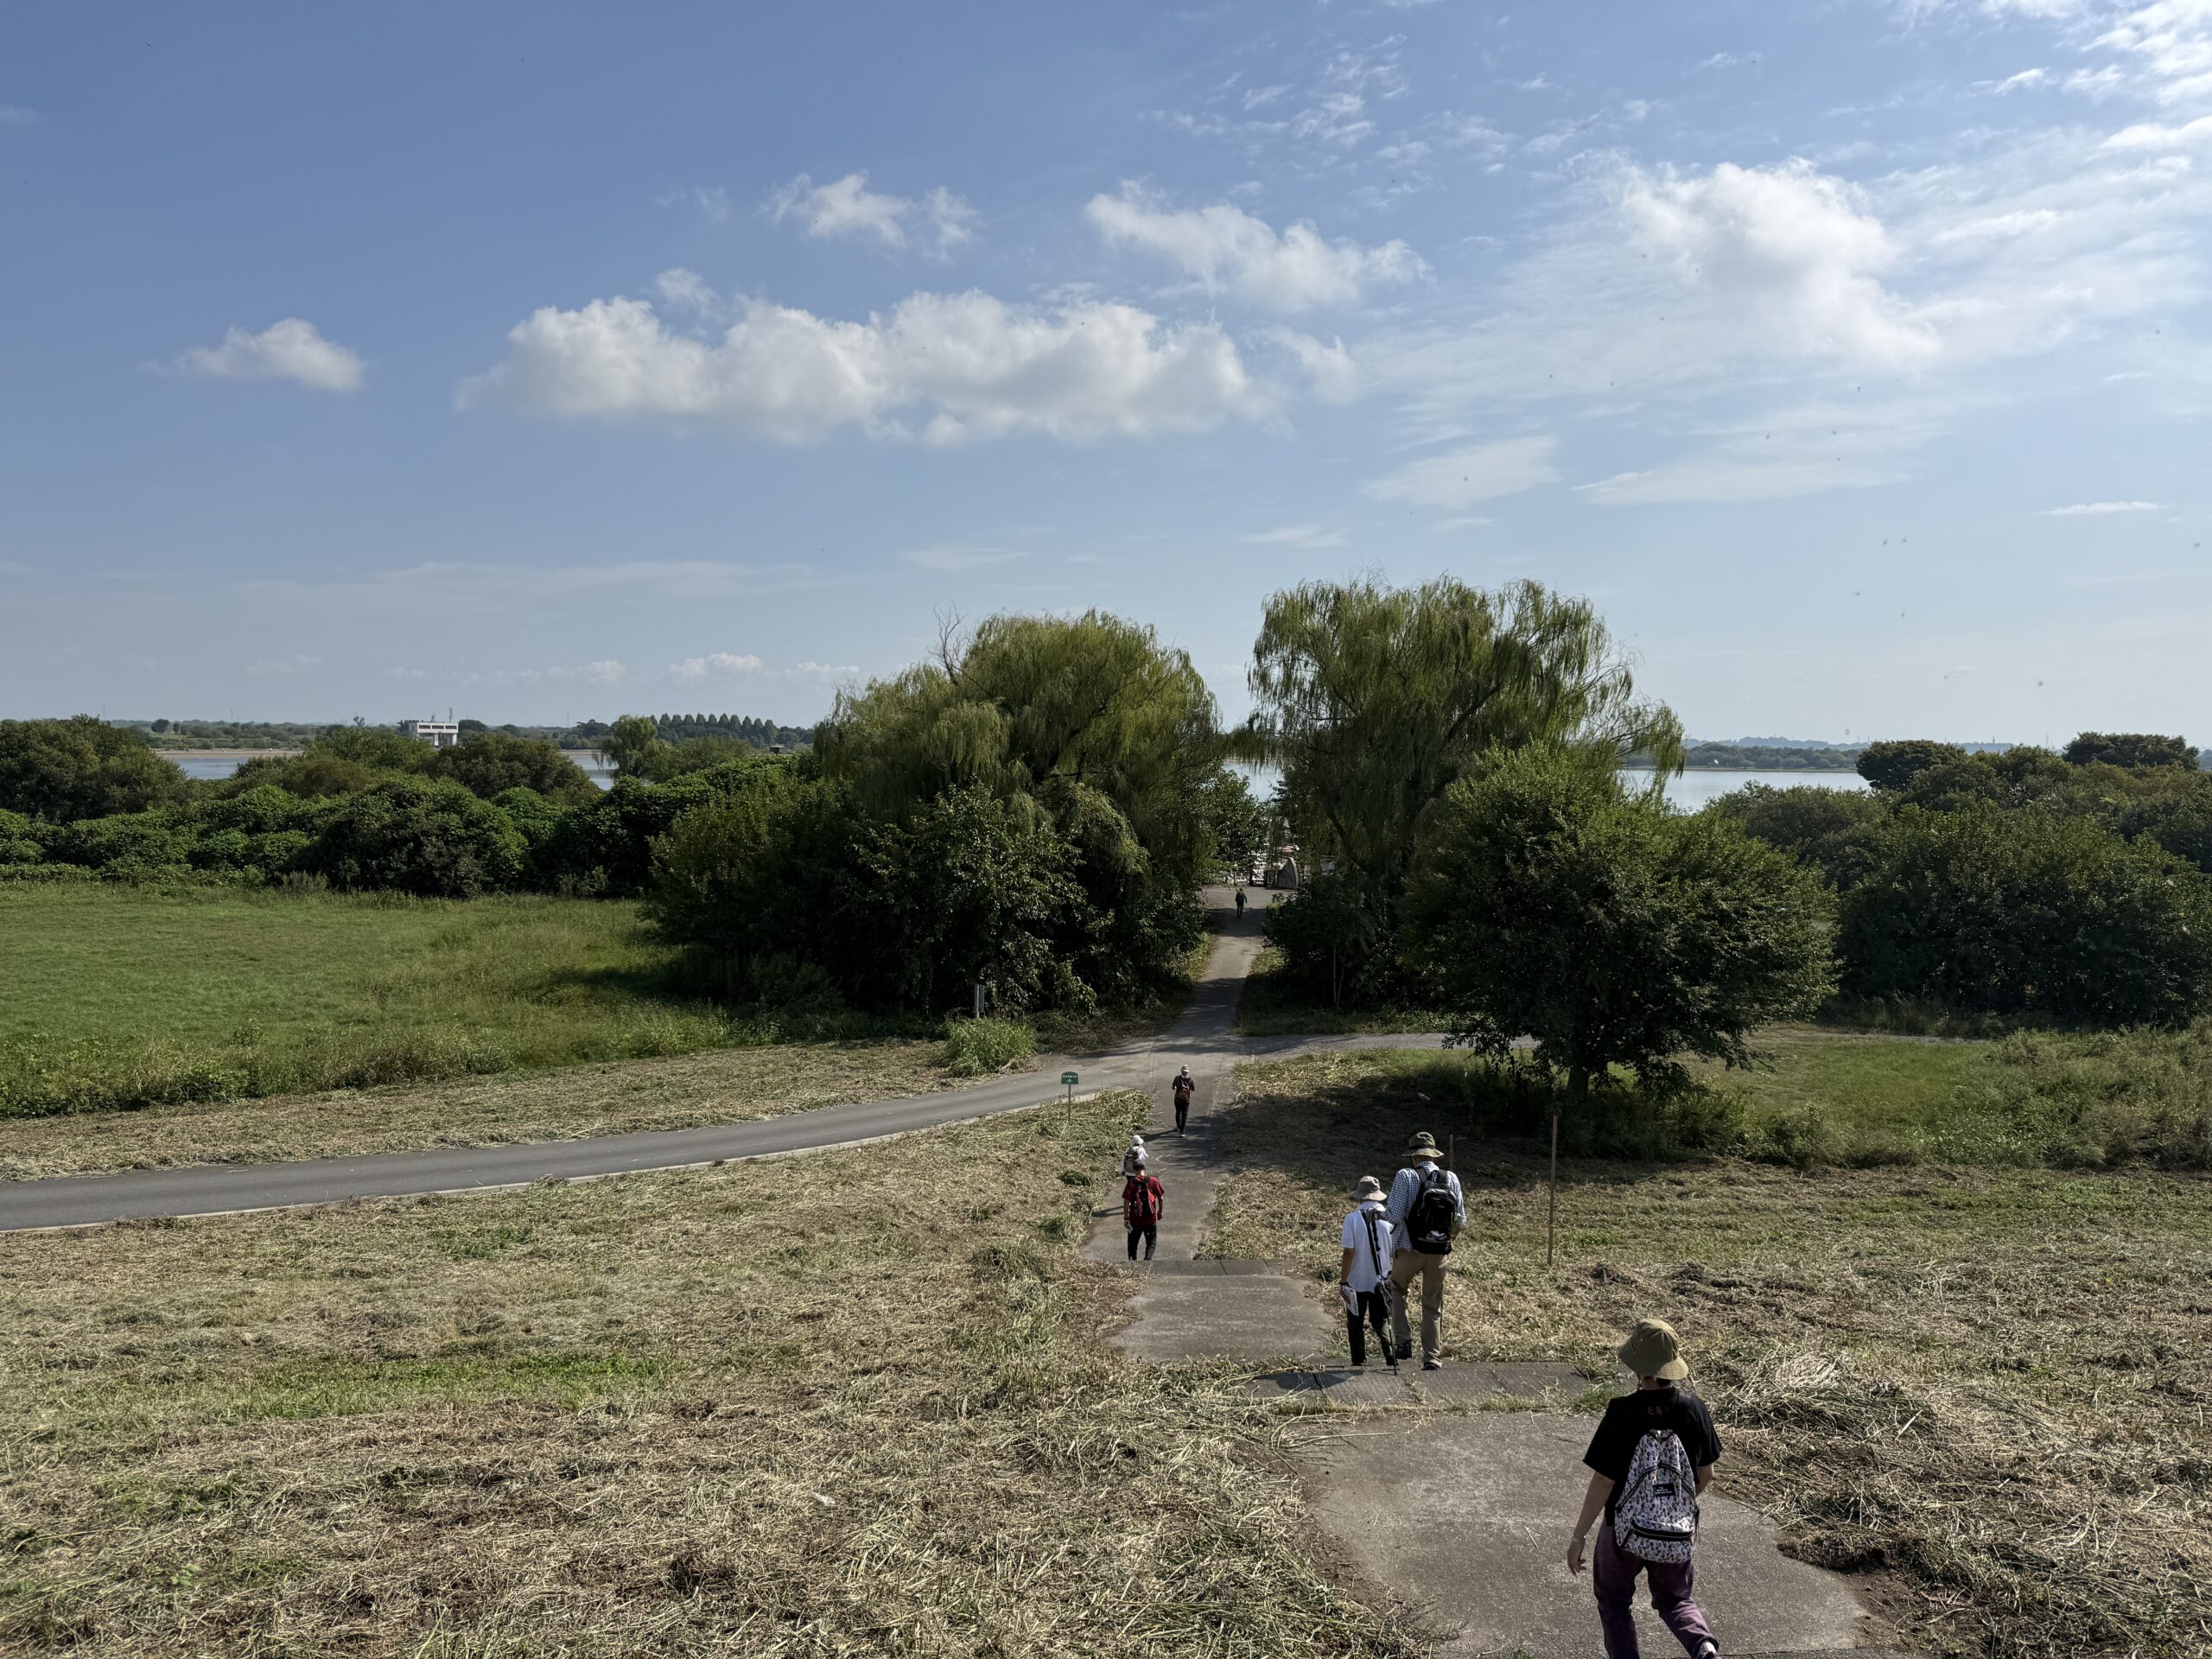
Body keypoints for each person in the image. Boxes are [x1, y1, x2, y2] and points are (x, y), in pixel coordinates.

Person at [1567, 1319, 1723, 1659]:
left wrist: (1579, 1536)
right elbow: (1706, 1474)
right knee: (1676, 1600)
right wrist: (1670, 1508)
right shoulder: (1693, 1408)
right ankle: (1704, 1647)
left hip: (1622, 1531)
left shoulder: (1621, 1411)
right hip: (1677, 1533)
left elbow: (1603, 1481)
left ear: (1639, 1367)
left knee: (1614, 1602)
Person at [1383, 1130, 1464, 1370]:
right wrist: (1446, 1240)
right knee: (1433, 1303)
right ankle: (1432, 1357)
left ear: (1413, 1156)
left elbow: (1394, 1215)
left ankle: (1403, 1342)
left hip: (1409, 1248)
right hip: (1438, 1252)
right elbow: (1460, 1221)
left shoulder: (1405, 1176)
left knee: (1397, 1288)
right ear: (1433, 1155)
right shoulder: (1451, 1178)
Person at [1336, 1176, 1396, 1369]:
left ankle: (1359, 1359)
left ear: (1360, 1197)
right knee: (1381, 1319)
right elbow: (1395, 1251)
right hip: (1382, 1279)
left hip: (1356, 1280)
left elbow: (1348, 1252)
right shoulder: (1389, 1219)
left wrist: (1343, 1281)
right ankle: (1390, 1351)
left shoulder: (1352, 1219)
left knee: (1355, 1321)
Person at [1122, 1154, 1164, 1262]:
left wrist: (1126, 1218)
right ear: (1144, 1168)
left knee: (1132, 1245)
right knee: (1151, 1243)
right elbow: (1161, 1198)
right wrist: (1160, 1212)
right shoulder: (1153, 1180)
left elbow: (1126, 1202)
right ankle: (1147, 1261)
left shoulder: (1131, 1183)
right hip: (1150, 1220)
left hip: (1135, 1221)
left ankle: (1133, 1264)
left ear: (1134, 1170)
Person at [1172, 1066, 1195, 1133]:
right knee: (1184, 1115)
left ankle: (1178, 1127)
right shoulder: (1190, 1080)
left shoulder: (1177, 1078)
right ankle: (1182, 1131)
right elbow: (1193, 1089)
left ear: (1181, 1071)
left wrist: (1176, 1087)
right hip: (1186, 1100)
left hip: (1177, 1099)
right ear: (1188, 1072)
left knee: (1178, 1112)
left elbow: (1173, 1087)